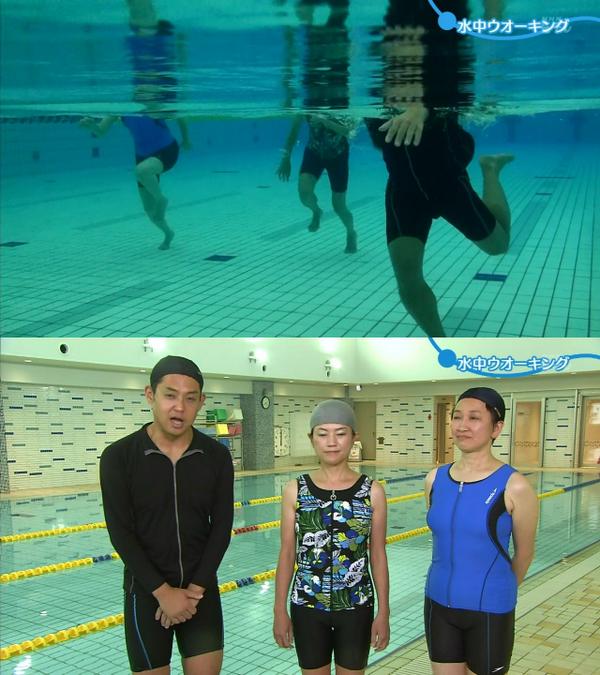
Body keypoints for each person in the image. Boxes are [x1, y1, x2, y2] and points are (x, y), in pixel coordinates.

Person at [365, 0, 514, 336]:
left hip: (446, 181)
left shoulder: (442, 50)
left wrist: (423, 107)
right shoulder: (379, 67)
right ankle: (440, 343)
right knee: (407, 278)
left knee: (499, 246)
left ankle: (490, 170)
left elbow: (442, 85)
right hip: (403, 188)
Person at [99, 355, 234, 675]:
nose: (179, 407)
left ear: (201, 402)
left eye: (190, 399)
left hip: (201, 593)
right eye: (170, 395)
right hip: (146, 593)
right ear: (151, 395)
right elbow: (121, 533)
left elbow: (222, 527)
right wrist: (163, 593)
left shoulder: (216, 456)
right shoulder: (119, 457)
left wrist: (194, 591)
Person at [423, 387, 539, 675]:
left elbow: (524, 554)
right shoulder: (435, 479)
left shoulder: (515, 486)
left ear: (496, 428)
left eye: (474, 418)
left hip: (490, 609)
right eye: (457, 417)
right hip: (438, 605)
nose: (462, 426)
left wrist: (497, 590)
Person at [273, 399, 390, 674]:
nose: (332, 442)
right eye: (323, 434)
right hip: (307, 605)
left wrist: (384, 611)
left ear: (354, 437)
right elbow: (287, 553)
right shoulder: (295, 490)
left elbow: (378, 555)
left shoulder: (372, 492)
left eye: (340, 433)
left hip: (356, 605)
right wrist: (279, 610)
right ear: (311, 438)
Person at [79, 106, 191, 250]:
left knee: (141, 171)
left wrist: (186, 139)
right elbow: (101, 131)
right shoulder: (118, 109)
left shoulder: (152, 103)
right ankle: (168, 233)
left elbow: (181, 115)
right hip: (142, 156)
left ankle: (161, 198)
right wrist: (92, 126)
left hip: (166, 150)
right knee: (149, 210)